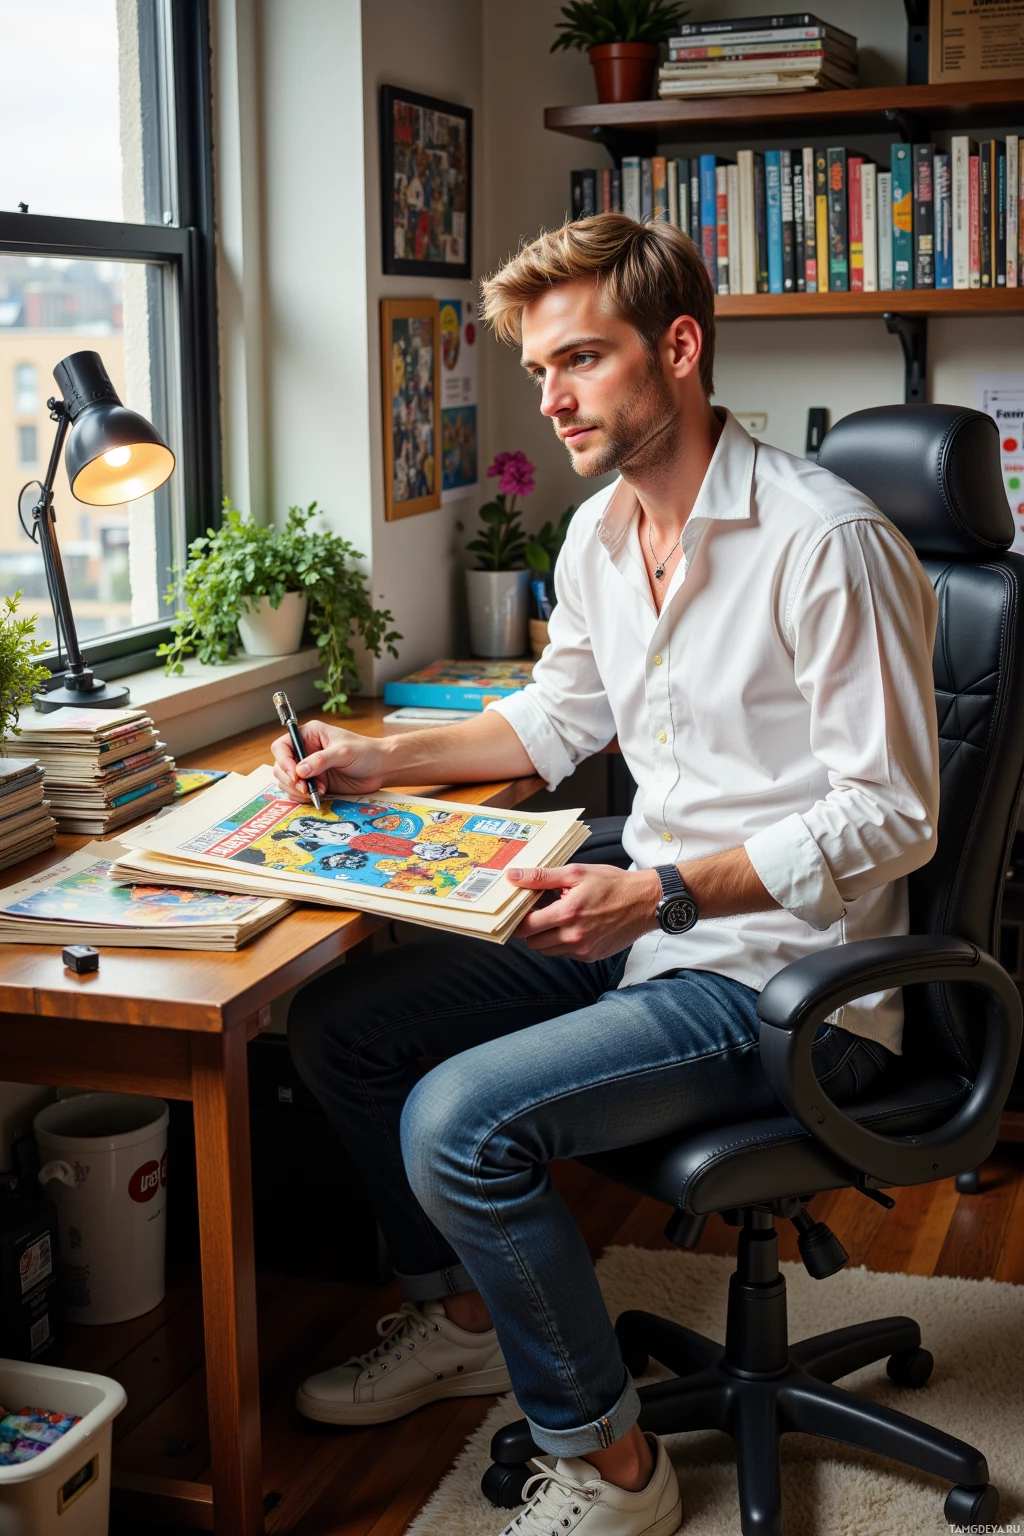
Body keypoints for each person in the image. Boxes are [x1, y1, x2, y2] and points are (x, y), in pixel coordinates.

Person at [272, 213, 939, 1536]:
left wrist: (668, 890)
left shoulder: (825, 542)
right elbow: (547, 725)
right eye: (538, 372)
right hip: (650, 942)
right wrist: (378, 757)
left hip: (785, 985)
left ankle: (614, 1466)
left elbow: (897, 816)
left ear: (679, 349)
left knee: (455, 1123)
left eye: (579, 360)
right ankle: (464, 1318)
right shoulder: (596, 541)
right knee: (340, 1029)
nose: (551, 397)